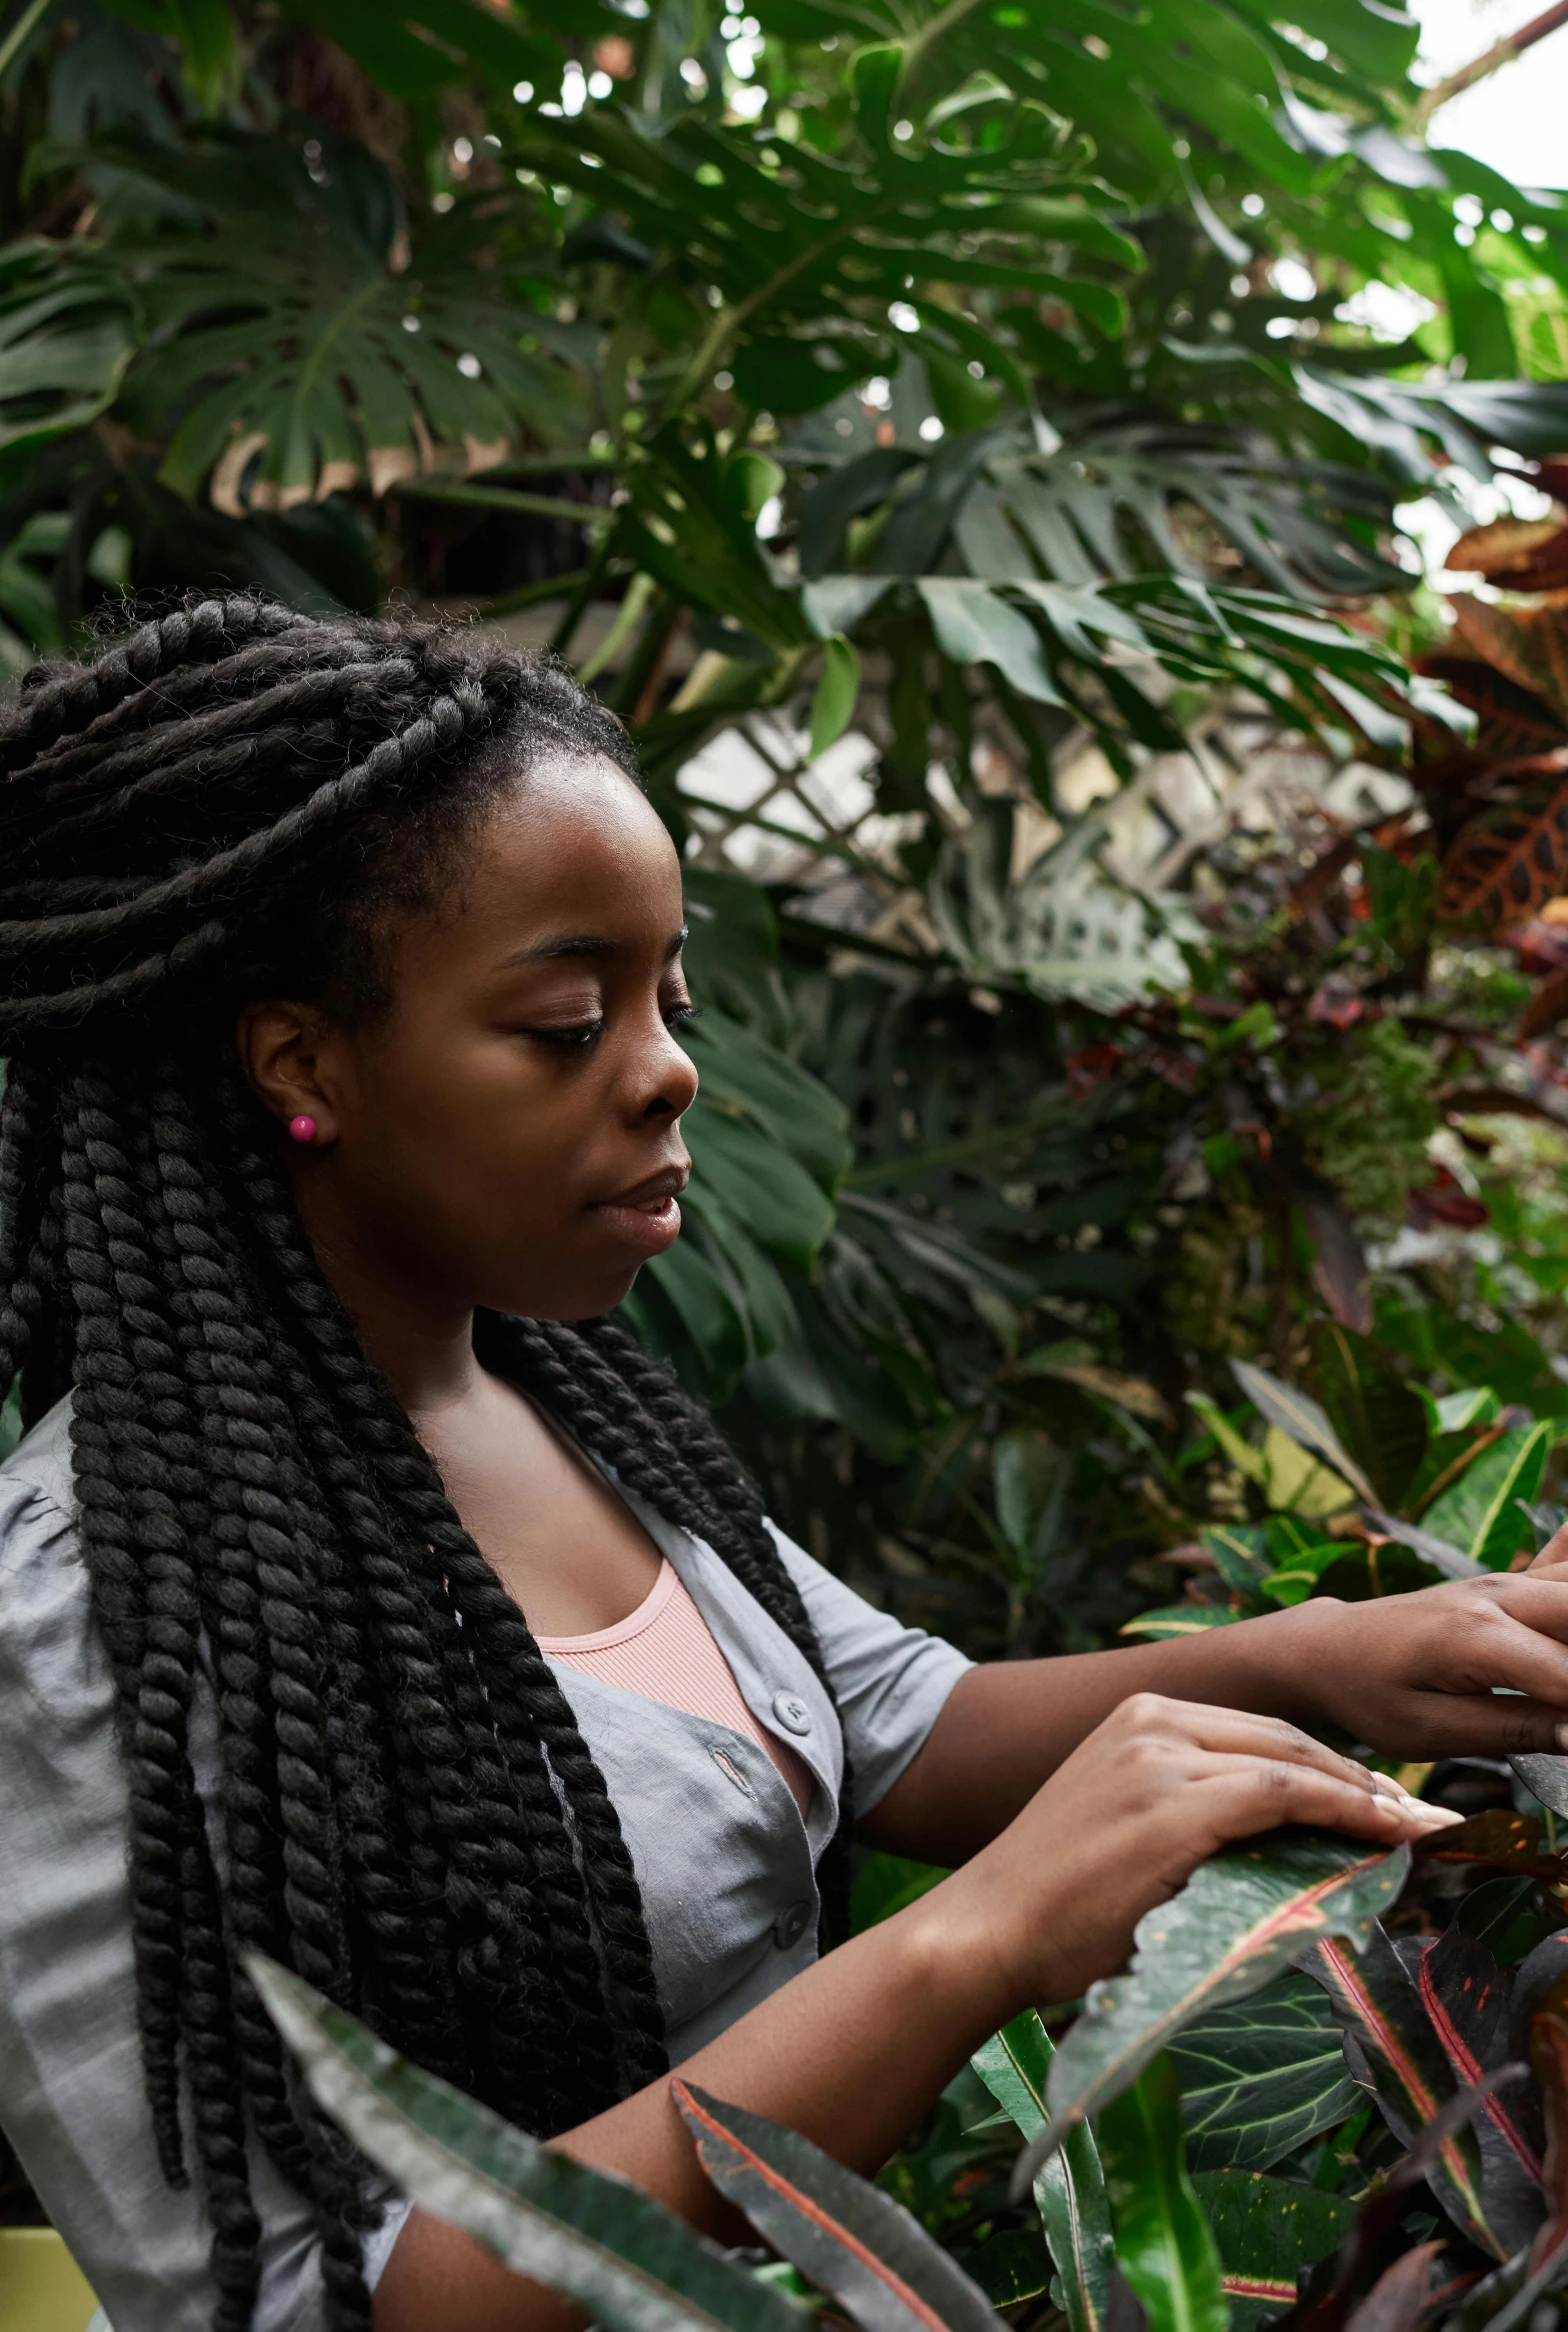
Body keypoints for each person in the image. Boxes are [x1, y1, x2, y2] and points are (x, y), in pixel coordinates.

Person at [4, 598, 1568, 2332]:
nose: (669, 1072)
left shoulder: (566, 1389)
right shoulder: (86, 1622)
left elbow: (887, 1721)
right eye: (563, 1021)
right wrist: (970, 1947)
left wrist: (1364, 1652)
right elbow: (304, 2306)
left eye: (667, 998)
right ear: (304, 1061)